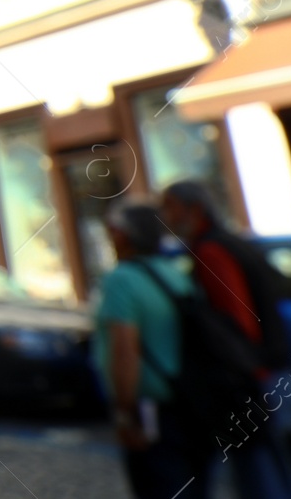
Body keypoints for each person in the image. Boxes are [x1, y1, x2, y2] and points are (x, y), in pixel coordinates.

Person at [161, 180, 291, 498]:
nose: (165, 216)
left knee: (260, 469)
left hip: (248, 378)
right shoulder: (224, 244)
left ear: (193, 210)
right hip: (259, 371)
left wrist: (241, 372)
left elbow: (237, 322)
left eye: (169, 207)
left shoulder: (212, 250)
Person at [95, 201, 211, 499]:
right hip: (192, 400)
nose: (110, 236)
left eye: (113, 230)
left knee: (159, 486)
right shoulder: (174, 273)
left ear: (123, 235)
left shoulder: (122, 280)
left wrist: (124, 413)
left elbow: (124, 351)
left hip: (152, 410)